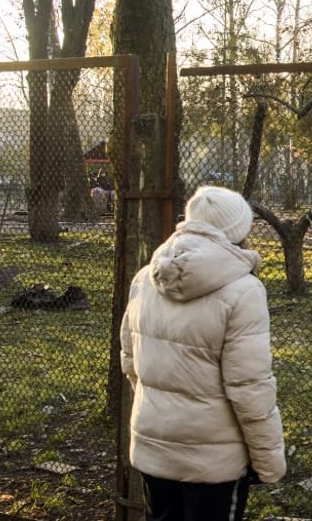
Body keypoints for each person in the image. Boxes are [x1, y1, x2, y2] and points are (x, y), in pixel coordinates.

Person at [120, 185, 286, 521]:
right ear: (239, 230)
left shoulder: (144, 279)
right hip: (214, 464)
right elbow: (249, 387)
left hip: (154, 449)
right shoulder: (244, 291)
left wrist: (163, 416)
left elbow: (130, 360)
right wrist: (269, 463)